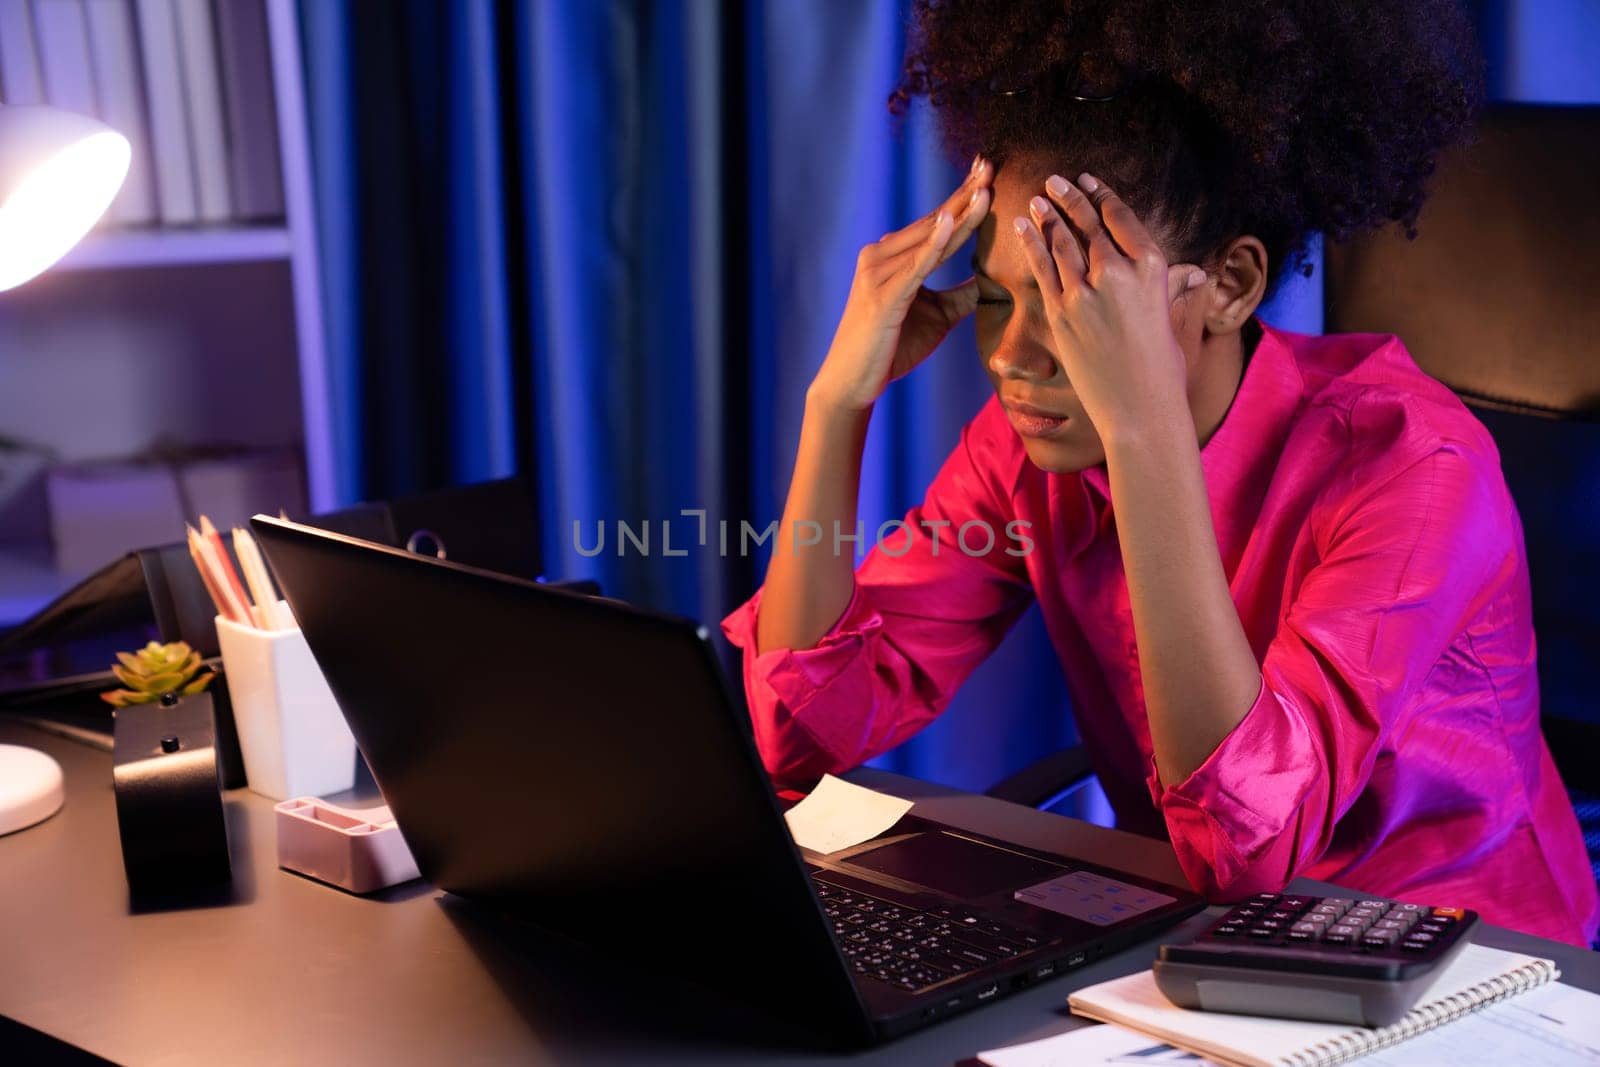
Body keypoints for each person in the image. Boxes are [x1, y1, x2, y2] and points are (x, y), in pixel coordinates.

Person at [719, 0, 1600, 947]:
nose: (1014, 355)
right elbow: (801, 738)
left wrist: (1145, 435)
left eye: (1078, 299)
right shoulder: (1031, 446)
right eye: (998, 296)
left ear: (1230, 284)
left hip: (1473, 959)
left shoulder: (1416, 468)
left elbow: (1243, 839)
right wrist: (835, 404)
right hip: (1199, 947)